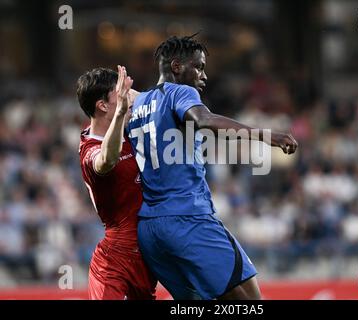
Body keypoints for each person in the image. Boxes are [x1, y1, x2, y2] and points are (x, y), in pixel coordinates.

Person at [126, 34, 298, 300]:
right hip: (188, 219)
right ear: (176, 66)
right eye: (199, 66)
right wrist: (268, 136)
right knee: (251, 302)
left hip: (150, 230)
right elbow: (203, 120)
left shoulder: (137, 105)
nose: (203, 76)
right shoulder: (181, 91)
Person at [77, 66, 157, 300]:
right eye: (121, 95)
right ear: (102, 106)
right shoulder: (89, 149)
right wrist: (121, 112)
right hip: (114, 262)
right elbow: (107, 161)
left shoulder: (129, 129)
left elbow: (149, 101)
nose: (129, 99)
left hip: (146, 258)